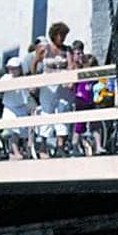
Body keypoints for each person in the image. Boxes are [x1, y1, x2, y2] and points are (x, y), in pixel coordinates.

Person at [31, 22, 73, 157]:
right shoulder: (45, 49)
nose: (63, 38)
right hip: (47, 84)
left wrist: (70, 80)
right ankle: (43, 146)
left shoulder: (67, 50)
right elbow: (35, 63)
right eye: (61, 35)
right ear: (54, 35)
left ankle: (60, 146)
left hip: (62, 85)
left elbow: (71, 66)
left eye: (65, 35)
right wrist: (35, 79)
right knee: (47, 112)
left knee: (62, 111)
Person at [0, 55, 32, 159]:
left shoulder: (24, 79)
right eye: (10, 68)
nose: (12, 70)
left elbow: (30, 91)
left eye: (14, 68)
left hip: (21, 107)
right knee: (13, 131)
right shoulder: (5, 78)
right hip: (9, 107)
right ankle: (15, 151)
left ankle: (19, 151)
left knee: (22, 132)